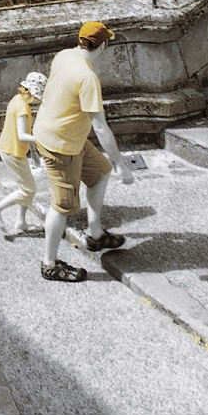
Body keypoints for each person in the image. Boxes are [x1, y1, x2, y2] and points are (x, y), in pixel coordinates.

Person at [31, 19, 132, 283]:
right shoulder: (88, 78)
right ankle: (49, 264)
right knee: (62, 206)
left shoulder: (64, 56)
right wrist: (122, 164)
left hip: (65, 136)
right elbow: (100, 127)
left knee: (100, 173)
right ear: (103, 45)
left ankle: (95, 234)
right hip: (59, 144)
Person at [0, 69, 48, 236]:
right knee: (28, 190)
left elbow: (25, 131)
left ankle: (21, 223)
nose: (37, 100)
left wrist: (33, 152)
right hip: (11, 150)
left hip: (11, 148)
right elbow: (22, 134)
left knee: (26, 187)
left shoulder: (17, 100)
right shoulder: (22, 107)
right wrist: (42, 141)